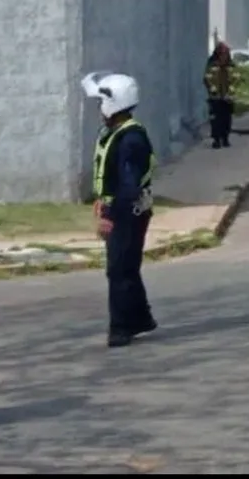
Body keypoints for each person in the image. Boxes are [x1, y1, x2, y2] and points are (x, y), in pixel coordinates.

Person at [81, 72, 159, 349]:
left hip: (129, 212)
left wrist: (110, 215)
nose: (99, 109)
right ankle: (141, 318)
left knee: (119, 269)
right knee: (127, 266)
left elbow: (129, 186)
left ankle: (121, 327)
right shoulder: (117, 133)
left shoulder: (130, 140)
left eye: (101, 102)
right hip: (123, 207)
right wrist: (103, 199)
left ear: (114, 104)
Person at [204, 43, 236, 149]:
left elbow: (236, 78)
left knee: (226, 119)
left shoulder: (230, 65)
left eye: (226, 54)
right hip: (215, 98)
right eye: (222, 54)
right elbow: (207, 78)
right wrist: (212, 90)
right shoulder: (212, 64)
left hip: (227, 98)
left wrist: (231, 92)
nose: (224, 56)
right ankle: (216, 140)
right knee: (215, 120)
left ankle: (225, 138)